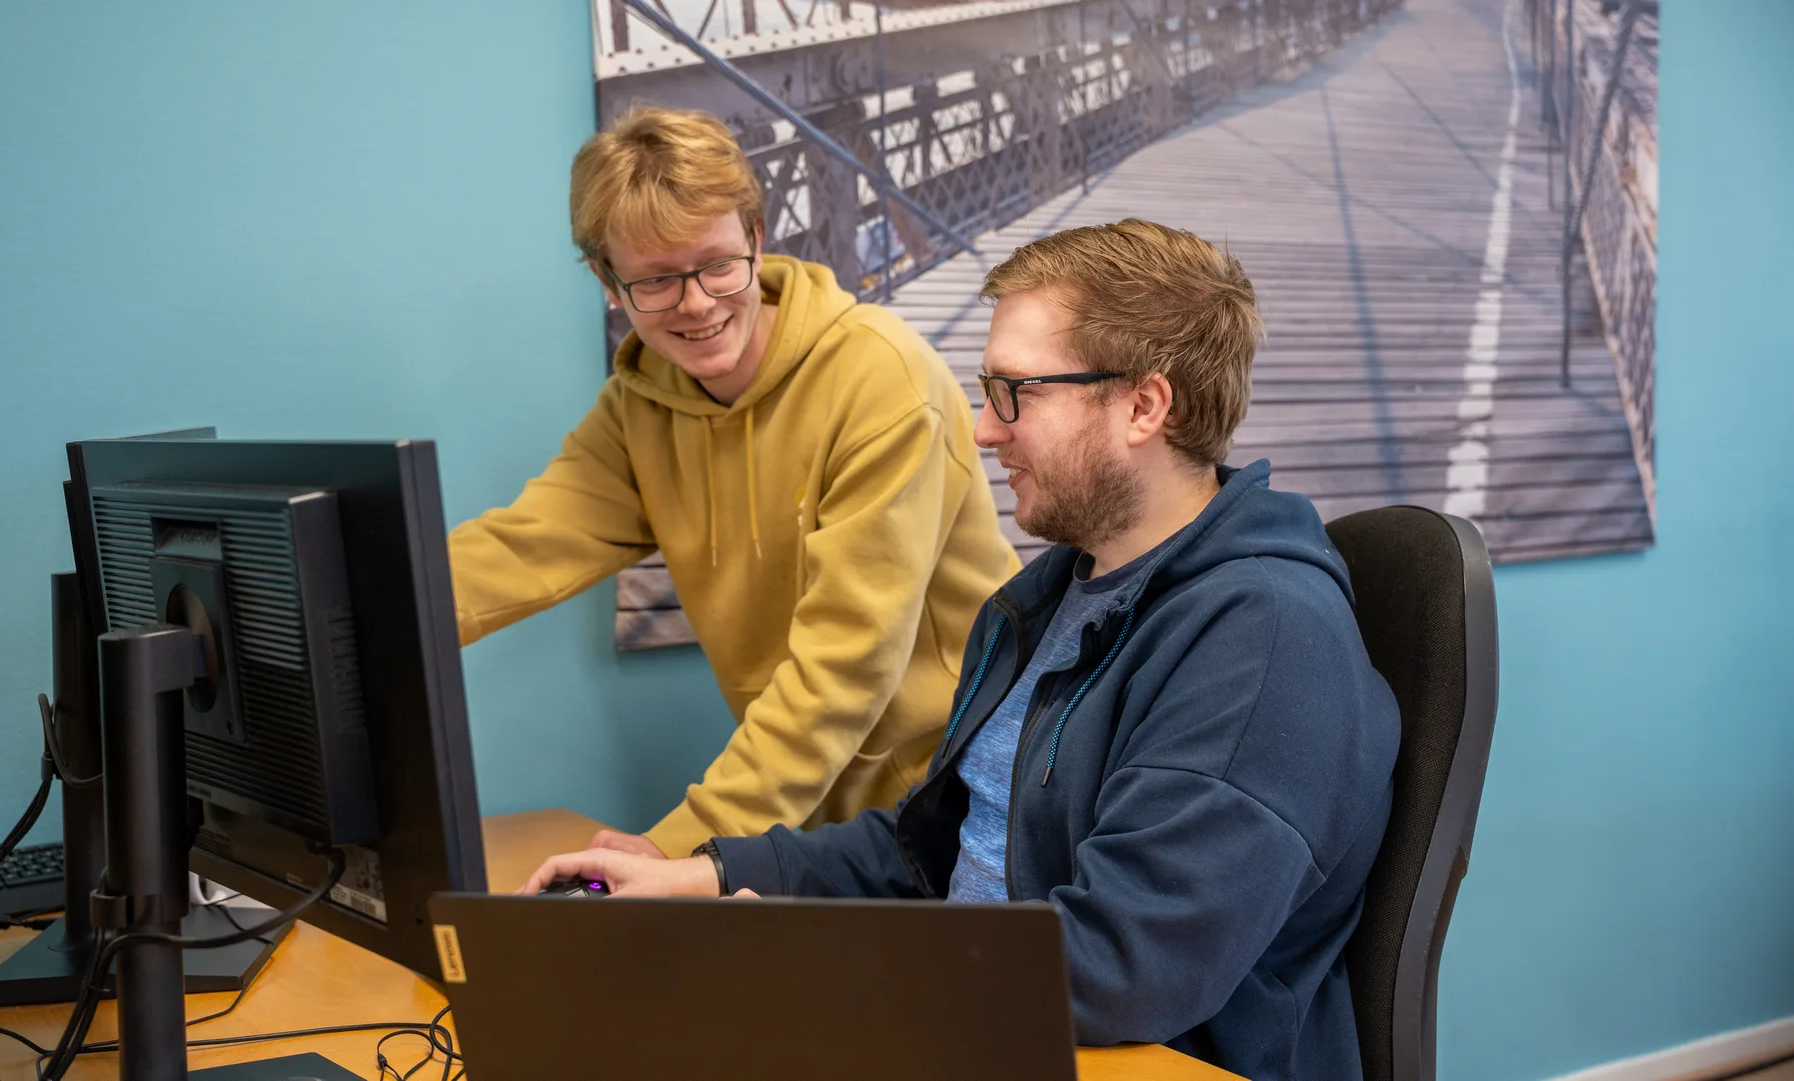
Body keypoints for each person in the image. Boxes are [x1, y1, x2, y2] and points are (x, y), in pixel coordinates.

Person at [519, 219, 1402, 1081]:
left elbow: (1120, 966)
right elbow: (930, 854)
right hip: (968, 1023)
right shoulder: (1046, 600)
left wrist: (802, 956)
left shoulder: (1263, 641)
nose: (984, 428)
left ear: (1144, 405)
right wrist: (705, 875)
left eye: (1017, 392)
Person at [448, 105, 1018, 859]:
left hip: (966, 805)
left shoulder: (881, 379)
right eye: (656, 279)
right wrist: (352, 606)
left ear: (756, 235)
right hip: (819, 815)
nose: (696, 303)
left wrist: (679, 850)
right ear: (606, 280)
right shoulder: (643, 406)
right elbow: (519, 548)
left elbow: (842, 671)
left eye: (718, 263)